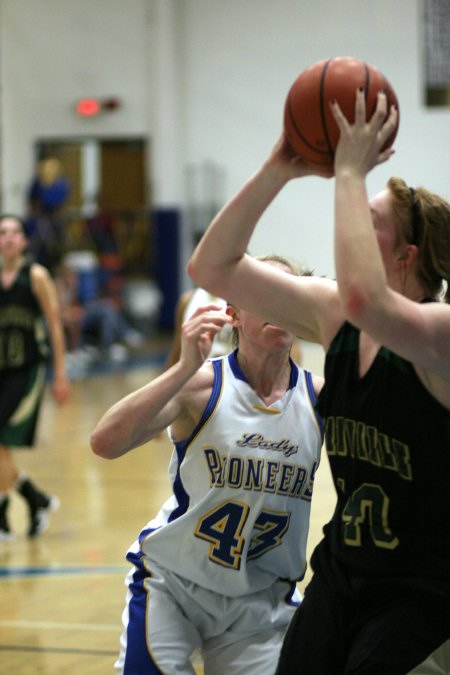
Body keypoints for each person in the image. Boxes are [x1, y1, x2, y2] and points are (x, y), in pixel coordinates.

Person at [188, 90, 450, 674]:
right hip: (342, 571)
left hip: (425, 592)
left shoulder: (440, 333)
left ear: (405, 255)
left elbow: (368, 298)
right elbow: (212, 268)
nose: (351, 217)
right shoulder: (339, 318)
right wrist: (279, 168)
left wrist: (351, 172)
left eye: (369, 217)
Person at [90, 254, 324, 675]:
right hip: (175, 586)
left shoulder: (321, 398)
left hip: (261, 600)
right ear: (233, 313)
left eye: (288, 296)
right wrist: (182, 367)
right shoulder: (202, 386)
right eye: (264, 295)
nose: (279, 306)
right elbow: (105, 442)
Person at [0, 215, 70, 540]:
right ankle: (33, 500)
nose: (9, 238)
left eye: (15, 232)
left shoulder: (36, 276)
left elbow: (55, 325)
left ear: (25, 242)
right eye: (3, 233)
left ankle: (19, 503)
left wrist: (60, 374)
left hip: (27, 371)